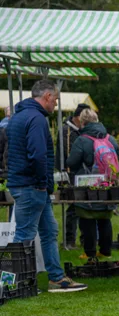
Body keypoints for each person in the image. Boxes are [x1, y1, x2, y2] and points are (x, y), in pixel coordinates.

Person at [6, 80, 86, 292]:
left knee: (49, 231)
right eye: (56, 100)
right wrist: (42, 184)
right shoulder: (36, 119)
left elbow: (10, 152)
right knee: (23, 236)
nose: (56, 105)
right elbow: (38, 155)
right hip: (32, 186)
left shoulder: (17, 117)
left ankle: (56, 277)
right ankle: (9, 284)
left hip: (24, 183)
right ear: (48, 96)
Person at [65, 108, 119, 262]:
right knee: (105, 218)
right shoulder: (111, 139)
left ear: (82, 122)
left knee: (86, 217)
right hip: (107, 184)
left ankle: (89, 252)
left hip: (87, 186)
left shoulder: (82, 140)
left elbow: (71, 162)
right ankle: (105, 250)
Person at [62, 103, 90, 250]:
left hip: (84, 174)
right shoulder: (66, 131)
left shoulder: (81, 130)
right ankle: (69, 240)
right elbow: (67, 155)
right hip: (71, 173)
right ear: (78, 117)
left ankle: (85, 239)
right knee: (73, 208)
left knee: (86, 207)